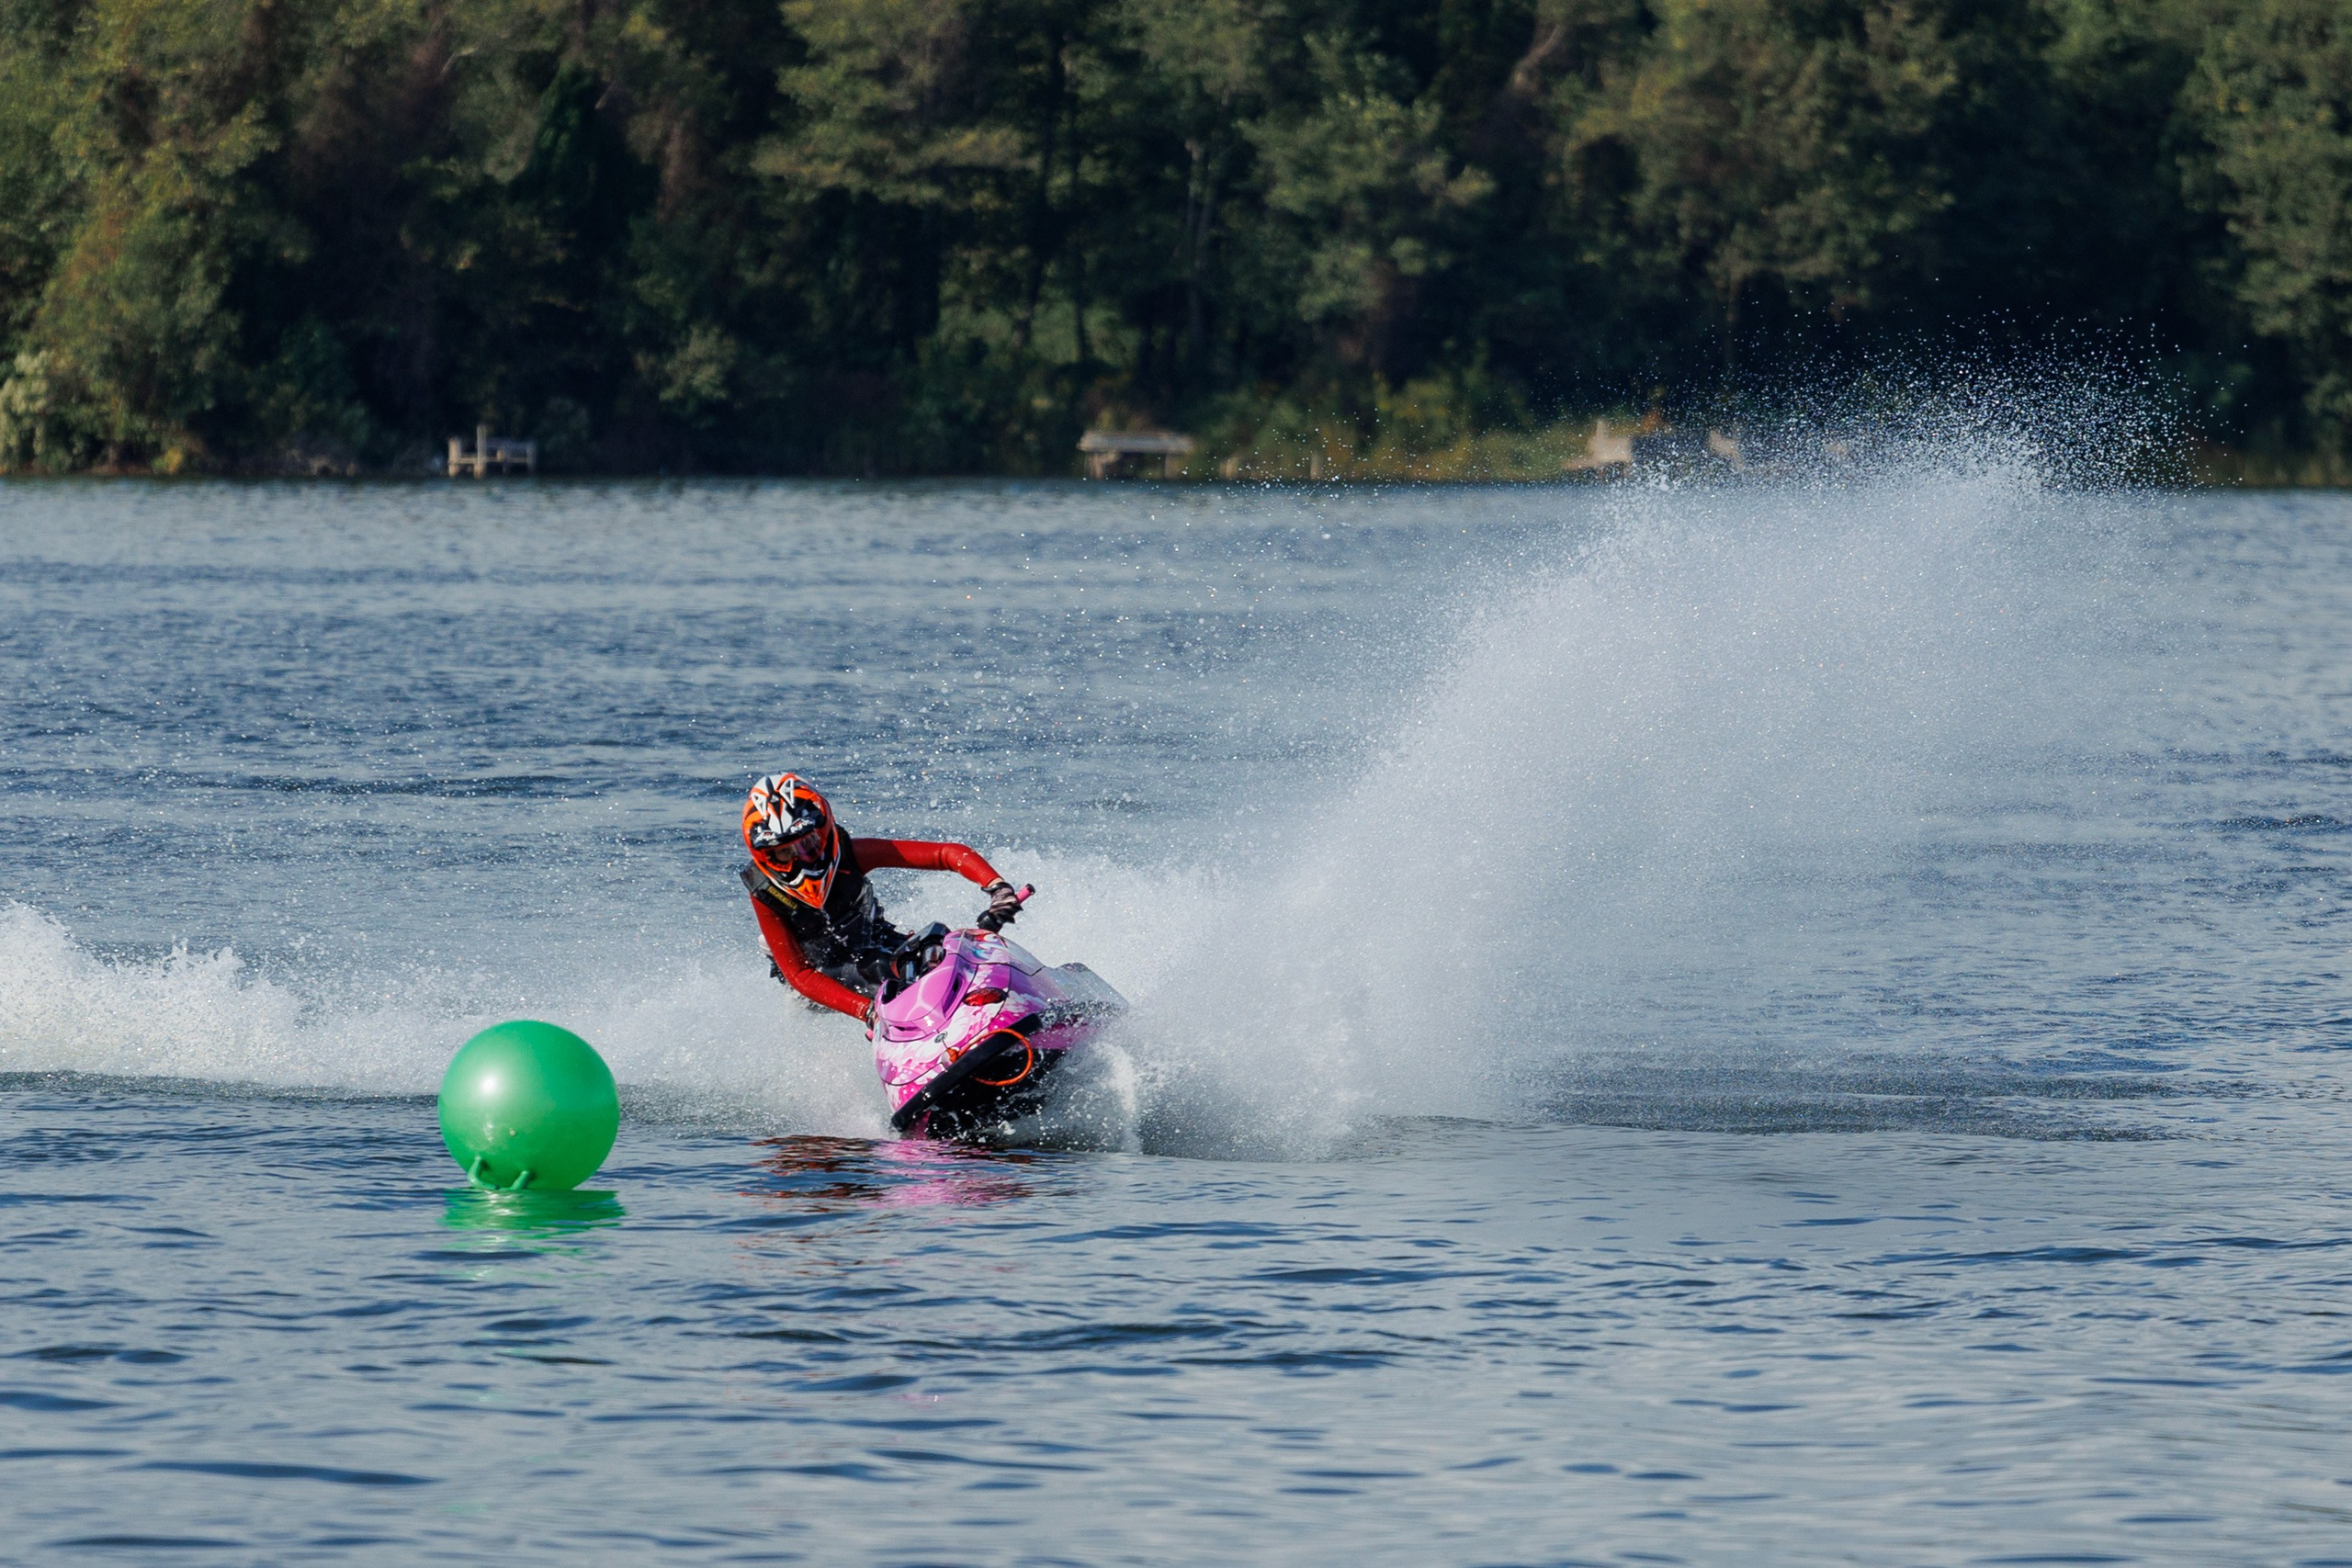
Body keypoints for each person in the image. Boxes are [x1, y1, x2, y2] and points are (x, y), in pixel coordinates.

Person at [740, 773, 1023, 1023]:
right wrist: (867, 1012)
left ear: (823, 829)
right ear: (766, 855)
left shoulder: (852, 854)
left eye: (807, 844)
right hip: (816, 979)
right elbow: (800, 975)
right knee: (889, 968)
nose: (801, 859)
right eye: (785, 852)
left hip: (874, 944)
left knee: (940, 948)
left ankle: (1003, 1003)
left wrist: (998, 889)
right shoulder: (765, 893)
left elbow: (945, 854)